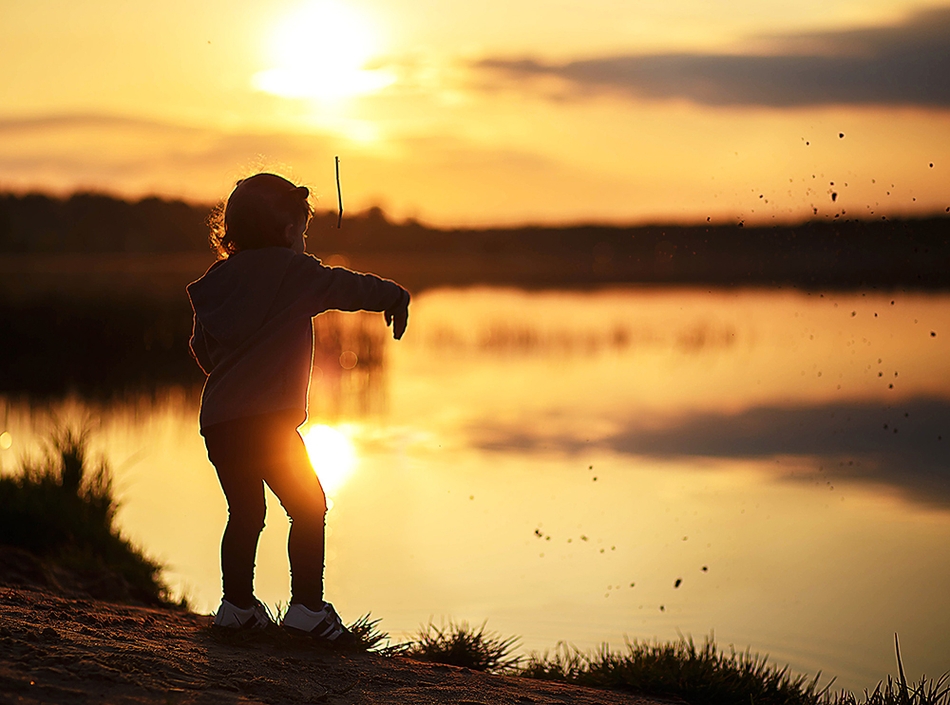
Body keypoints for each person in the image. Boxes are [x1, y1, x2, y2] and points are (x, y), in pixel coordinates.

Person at [187, 173, 410, 644]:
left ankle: (236, 607)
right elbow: (346, 287)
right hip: (267, 423)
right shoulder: (295, 273)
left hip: (220, 422)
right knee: (309, 507)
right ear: (289, 230)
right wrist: (393, 294)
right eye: (303, 231)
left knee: (245, 512)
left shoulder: (215, 284)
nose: (304, 240)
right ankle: (307, 609)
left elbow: (204, 352)